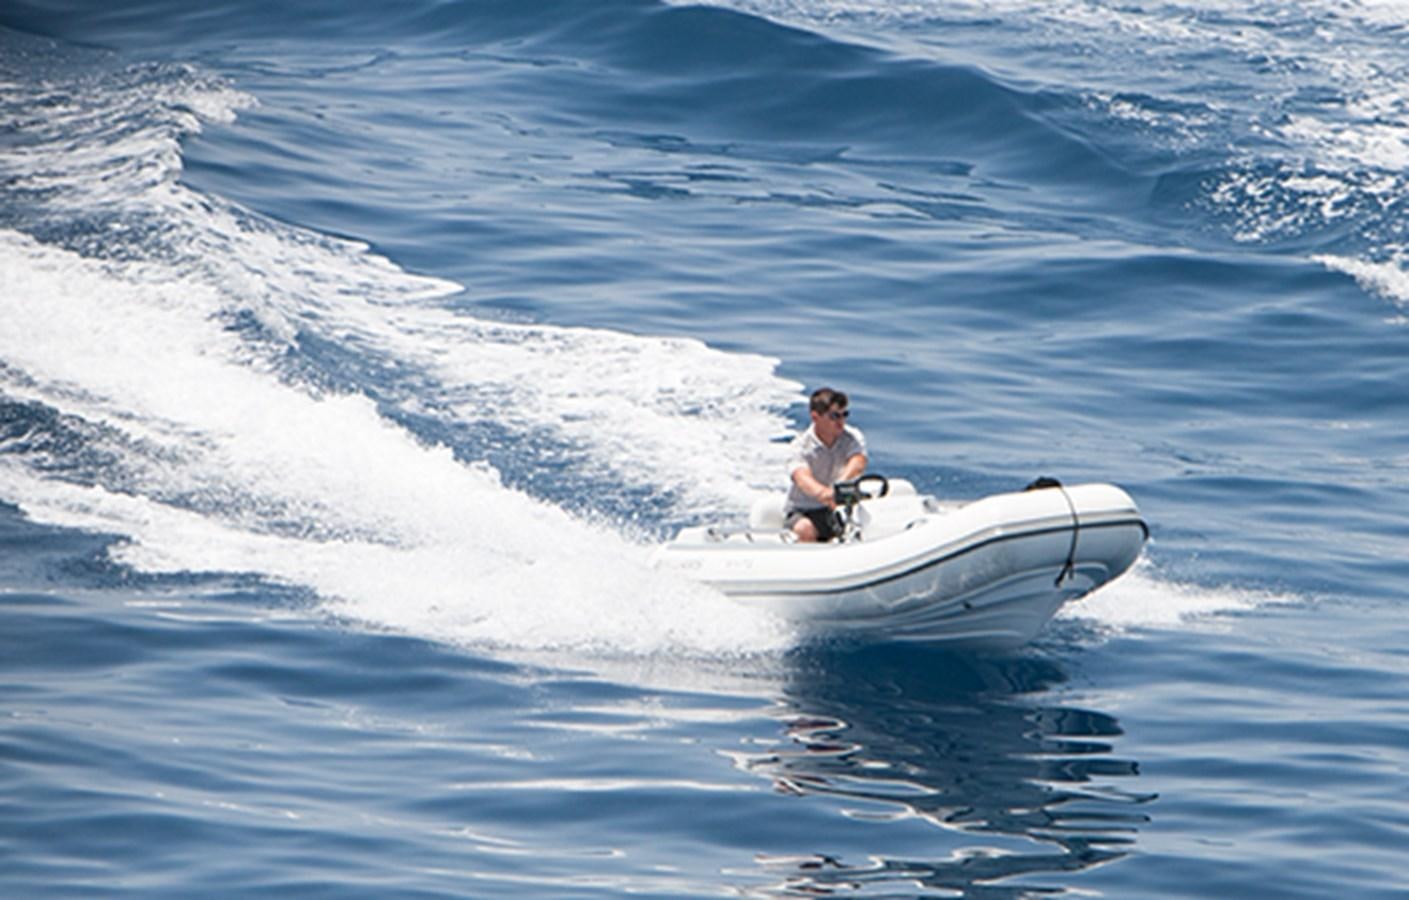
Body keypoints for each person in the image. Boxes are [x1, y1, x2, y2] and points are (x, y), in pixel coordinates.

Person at [784, 387, 868, 543]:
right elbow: (801, 477)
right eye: (835, 416)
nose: (841, 421)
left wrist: (841, 485)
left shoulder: (852, 437)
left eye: (844, 415)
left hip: (841, 507)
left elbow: (858, 461)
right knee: (804, 529)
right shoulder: (800, 446)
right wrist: (824, 494)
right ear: (816, 417)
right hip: (805, 510)